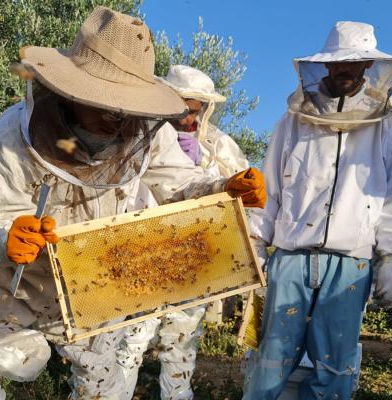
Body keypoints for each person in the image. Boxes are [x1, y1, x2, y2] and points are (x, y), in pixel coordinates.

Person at [0, 7, 265, 400]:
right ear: (71, 91)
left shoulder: (147, 132)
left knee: (105, 390)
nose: (118, 119)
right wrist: (6, 238)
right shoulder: (4, 140)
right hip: (1, 287)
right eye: (106, 103)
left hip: (90, 282)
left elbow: (179, 184)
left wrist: (223, 187)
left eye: (126, 106)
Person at [243, 21, 392, 400]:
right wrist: (256, 242)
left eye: (355, 63)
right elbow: (268, 190)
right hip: (291, 258)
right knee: (269, 360)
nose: (346, 70)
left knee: (336, 369)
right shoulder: (291, 123)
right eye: (340, 63)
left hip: (350, 264)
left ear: (369, 67)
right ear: (325, 65)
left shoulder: (388, 128)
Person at [117, 65, 250, 400]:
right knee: (130, 341)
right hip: (143, 254)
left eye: (195, 112)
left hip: (194, 259)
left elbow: (242, 190)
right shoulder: (139, 136)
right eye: (183, 112)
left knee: (181, 342)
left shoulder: (218, 145)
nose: (189, 120)